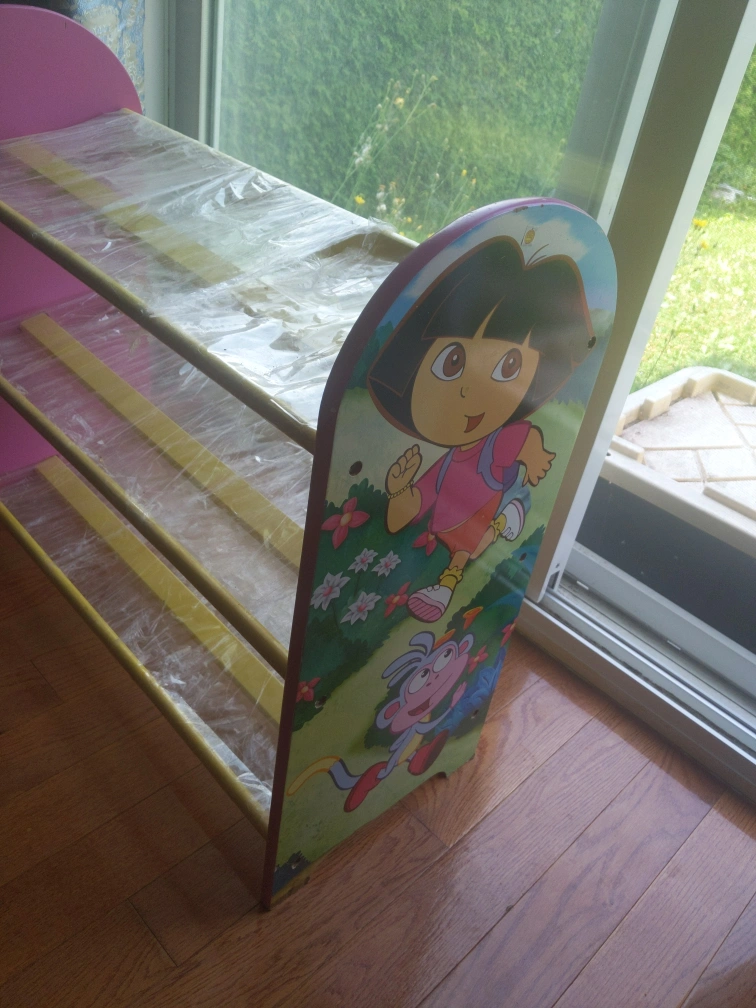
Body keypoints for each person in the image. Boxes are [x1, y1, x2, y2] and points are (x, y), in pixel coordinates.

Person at [367, 234, 595, 622]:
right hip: (456, 505)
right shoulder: (445, 465)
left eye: (508, 367)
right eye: (452, 363)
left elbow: (528, 441)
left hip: (483, 501)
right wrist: (400, 488)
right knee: (465, 537)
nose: (471, 391)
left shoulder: (497, 440)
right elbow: (404, 513)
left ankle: (458, 571)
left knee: (469, 542)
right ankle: (503, 522)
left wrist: (535, 457)